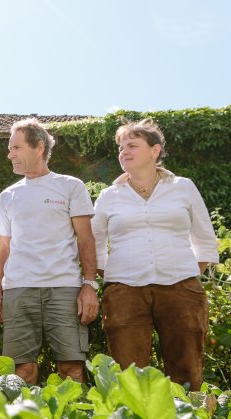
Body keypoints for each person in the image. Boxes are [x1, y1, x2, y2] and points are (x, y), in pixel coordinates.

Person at [92, 119, 218, 390]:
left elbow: (205, 238)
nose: (124, 151)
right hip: (125, 291)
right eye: (121, 147)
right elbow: (94, 244)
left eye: (132, 145)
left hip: (181, 288)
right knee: (129, 372)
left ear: (155, 150)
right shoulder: (108, 196)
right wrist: (113, 276)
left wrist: (186, 275)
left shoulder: (183, 187)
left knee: (186, 367)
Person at [0, 118, 99, 384]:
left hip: (64, 289)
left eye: (16, 147)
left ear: (39, 147)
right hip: (18, 289)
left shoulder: (70, 186)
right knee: (21, 373)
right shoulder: (8, 195)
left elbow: (86, 239)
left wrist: (89, 286)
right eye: (10, 149)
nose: (10, 154)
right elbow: (4, 247)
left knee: (72, 370)